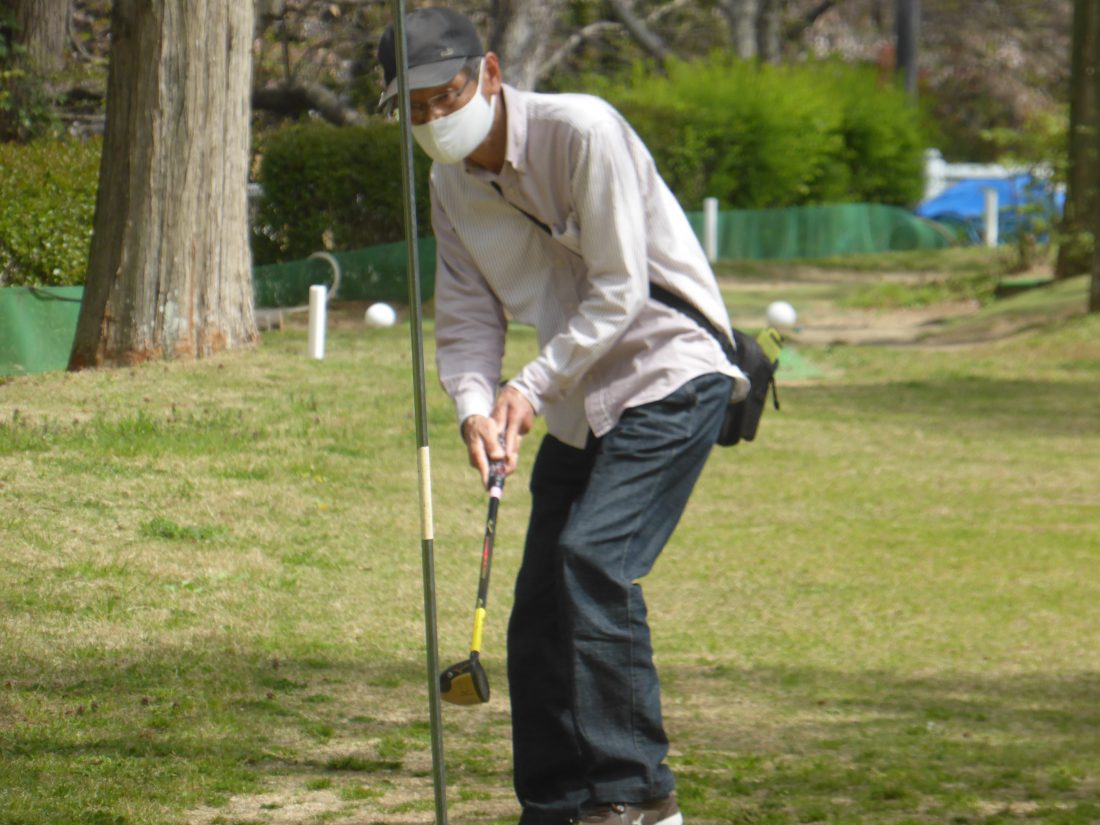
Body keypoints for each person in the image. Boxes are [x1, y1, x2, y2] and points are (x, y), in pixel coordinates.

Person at [378, 9, 748, 825]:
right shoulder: (447, 186)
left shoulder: (583, 130)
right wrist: (475, 408)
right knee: (541, 606)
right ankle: (556, 804)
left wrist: (531, 385)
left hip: (671, 371)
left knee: (594, 562)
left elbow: (619, 287)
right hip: (583, 401)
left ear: (490, 73)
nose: (435, 117)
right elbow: (467, 317)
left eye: (447, 95)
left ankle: (639, 796)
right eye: (415, 107)